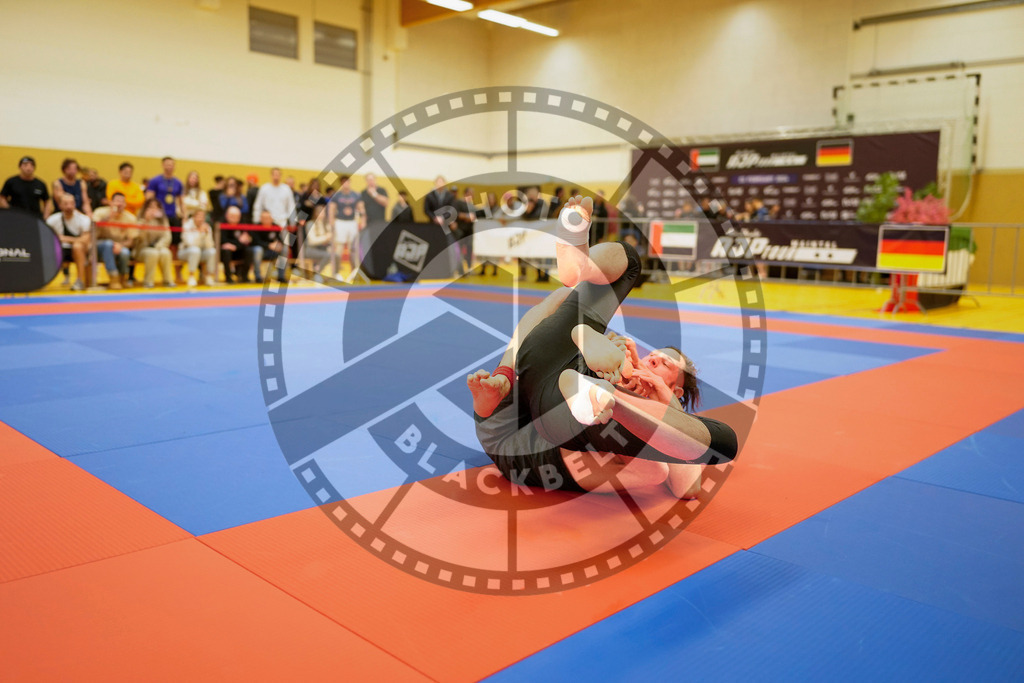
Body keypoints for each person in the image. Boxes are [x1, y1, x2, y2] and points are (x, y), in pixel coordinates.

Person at [469, 196, 737, 492]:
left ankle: (604, 396)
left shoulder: (658, 402)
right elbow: (546, 309)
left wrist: (663, 402)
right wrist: (506, 371)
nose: (652, 361)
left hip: (531, 435)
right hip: (533, 377)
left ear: (675, 388)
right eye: (654, 357)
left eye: (665, 365)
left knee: (718, 446)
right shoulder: (618, 354)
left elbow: (688, 490)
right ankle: (580, 265)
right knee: (628, 262)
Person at [45, 194, 92, 291]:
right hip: (58, 249)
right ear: (60, 205)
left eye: (72, 203)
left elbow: (85, 240)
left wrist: (64, 238)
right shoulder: (52, 220)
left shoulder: (84, 219)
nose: (69, 206)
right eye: (66, 204)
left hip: (79, 251)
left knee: (78, 246)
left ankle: (79, 280)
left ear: (75, 204)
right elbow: (46, 238)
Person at [92, 192, 137, 289]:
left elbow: (131, 241)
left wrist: (120, 245)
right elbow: (93, 230)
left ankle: (122, 278)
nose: (119, 204)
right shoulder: (100, 212)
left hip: (119, 246)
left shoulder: (130, 218)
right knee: (108, 244)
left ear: (125, 204)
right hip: (98, 246)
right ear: (110, 202)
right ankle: (113, 278)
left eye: (122, 202)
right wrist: (108, 218)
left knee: (125, 252)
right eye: (116, 201)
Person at [135, 198, 175, 288]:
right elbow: (139, 238)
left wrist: (158, 246)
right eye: (150, 207)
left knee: (166, 252)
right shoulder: (140, 219)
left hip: (158, 248)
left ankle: (168, 280)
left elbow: (167, 236)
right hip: (141, 249)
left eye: (156, 207)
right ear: (145, 208)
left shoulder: (163, 220)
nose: (154, 209)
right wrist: (146, 221)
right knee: (152, 253)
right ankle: (148, 281)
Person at [327, 175, 361, 275]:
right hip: (340, 222)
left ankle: (354, 271)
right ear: (341, 184)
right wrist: (331, 223)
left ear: (350, 182)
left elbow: (361, 207)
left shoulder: (355, 195)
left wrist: (362, 219)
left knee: (353, 248)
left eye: (348, 182)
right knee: (339, 248)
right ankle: (336, 272)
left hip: (351, 222)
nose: (346, 184)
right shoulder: (337, 196)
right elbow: (331, 210)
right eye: (344, 182)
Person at [219, 205, 262, 283]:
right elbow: (222, 242)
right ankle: (228, 277)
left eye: (236, 216)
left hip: (238, 250)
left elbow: (247, 241)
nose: (234, 218)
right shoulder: (222, 225)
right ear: (227, 215)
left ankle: (244, 276)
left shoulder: (242, 224)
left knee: (249, 250)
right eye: (232, 216)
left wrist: (235, 245)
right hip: (226, 252)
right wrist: (238, 242)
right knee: (226, 251)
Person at [179, 209, 218, 287]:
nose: (200, 219)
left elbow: (210, 245)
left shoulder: (207, 227)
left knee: (212, 251)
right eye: (198, 216)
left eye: (202, 217)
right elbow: (190, 243)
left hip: (201, 252)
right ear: (193, 217)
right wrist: (199, 233)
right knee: (195, 250)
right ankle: (191, 276)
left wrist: (206, 234)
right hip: (185, 251)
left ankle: (208, 276)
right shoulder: (187, 225)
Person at [145, 156, 184, 228]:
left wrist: (184, 216)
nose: (169, 167)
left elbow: (181, 201)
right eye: (167, 164)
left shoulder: (178, 183)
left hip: (172, 215)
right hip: (158, 215)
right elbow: (149, 199)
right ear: (162, 165)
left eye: (171, 165)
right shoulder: (155, 181)